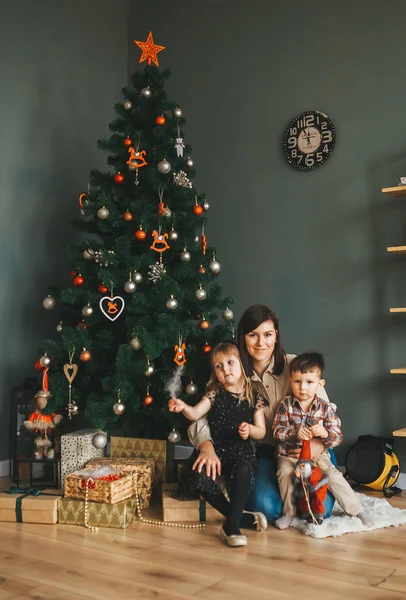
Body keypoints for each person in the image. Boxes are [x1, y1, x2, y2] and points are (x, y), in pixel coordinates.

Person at [188, 304, 336, 525]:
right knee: (265, 508)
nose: (261, 343)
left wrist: (318, 445)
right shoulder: (231, 370)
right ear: (242, 338)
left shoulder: (296, 367)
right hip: (269, 452)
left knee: (321, 510)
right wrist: (205, 445)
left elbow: (328, 415)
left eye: (267, 334)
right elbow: (201, 413)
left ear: (276, 335)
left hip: (308, 450)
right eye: (253, 335)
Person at [169, 342, 268, 547]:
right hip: (217, 448)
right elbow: (196, 413)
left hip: (240, 450)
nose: (226, 370)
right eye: (219, 366)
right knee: (199, 475)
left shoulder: (254, 397)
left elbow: (262, 430)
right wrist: (183, 406)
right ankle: (238, 519)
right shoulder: (215, 393)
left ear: (241, 364)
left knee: (244, 470)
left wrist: (250, 430)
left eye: (230, 363)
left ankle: (231, 526)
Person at [273, 352, 373, 529]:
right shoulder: (286, 405)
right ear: (290, 381)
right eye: (297, 381)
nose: (302, 387)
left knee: (333, 475)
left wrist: (326, 434)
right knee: (284, 472)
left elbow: (337, 436)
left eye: (309, 382)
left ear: (320, 384)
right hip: (289, 454)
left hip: (318, 457)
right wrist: (293, 433)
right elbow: (277, 431)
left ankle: (357, 510)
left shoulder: (325, 408)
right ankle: (288, 513)